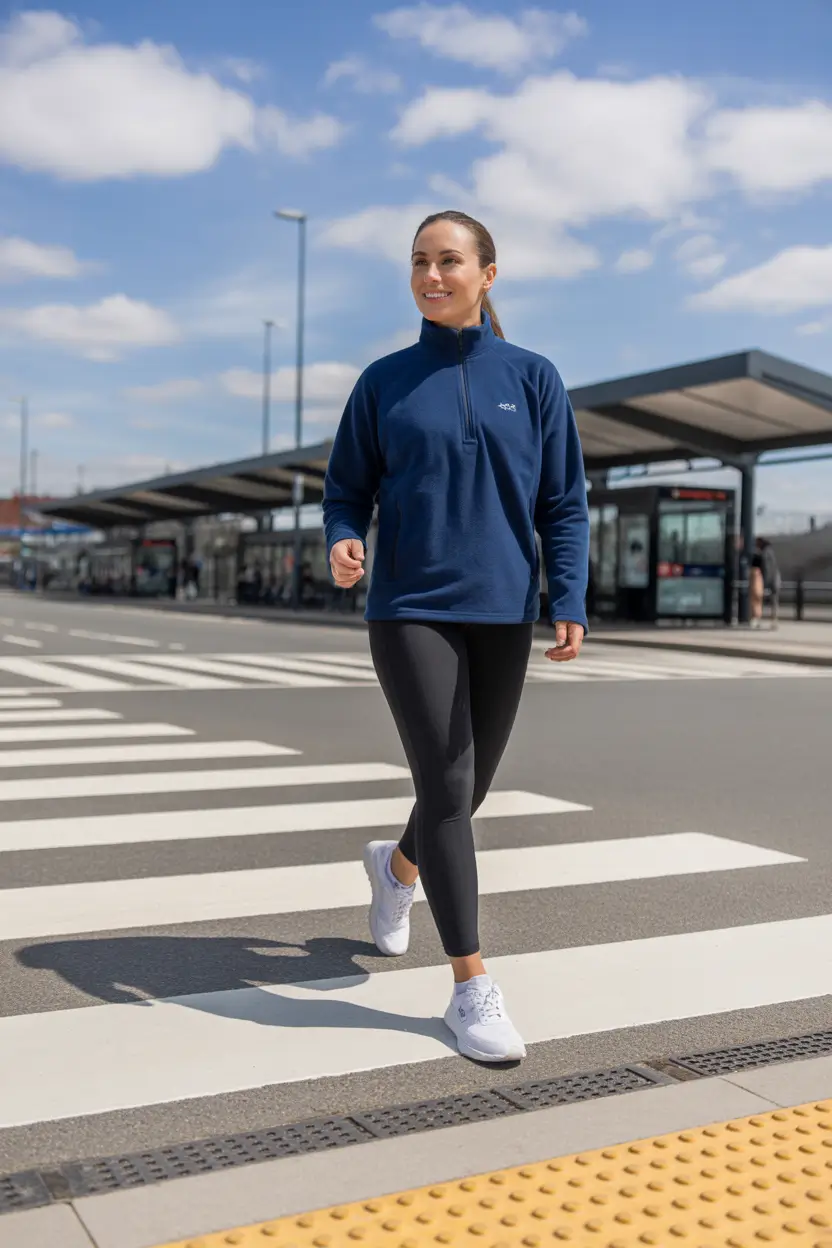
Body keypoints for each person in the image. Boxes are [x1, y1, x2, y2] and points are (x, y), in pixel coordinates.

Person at [323, 210, 589, 1063]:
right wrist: (341, 537)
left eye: (448, 262)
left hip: (504, 608)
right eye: (418, 263)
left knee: (466, 789)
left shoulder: (533, 378)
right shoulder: (384, 382)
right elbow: (343, 489)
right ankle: (470, 984)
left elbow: (563, 502)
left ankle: (396, 871)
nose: (431, 276)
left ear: (487, 274)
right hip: (409, 606)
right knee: (445, 782)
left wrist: (570, 595)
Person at [756, 536, 780, 629]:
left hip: (770, 579)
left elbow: (766, 568)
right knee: (774, 601)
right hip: (775, 578)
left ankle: (760, 620)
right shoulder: (770, 551)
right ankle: (774, 621)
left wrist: (765, 583)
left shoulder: (765, 553)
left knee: (764, 600)